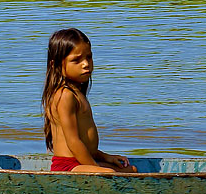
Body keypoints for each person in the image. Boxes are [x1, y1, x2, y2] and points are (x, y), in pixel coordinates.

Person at [42, 28, 136, 173]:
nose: (86, 64)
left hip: (82, 161)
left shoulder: (76, 92)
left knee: (131, 170)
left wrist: (106, 157)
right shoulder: (64, 95)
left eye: (89, 57)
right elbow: (74, 142)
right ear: (56, 65)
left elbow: (86, 142)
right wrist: (96, 169)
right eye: (76, 60)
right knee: (111, 174)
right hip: (68, 166)